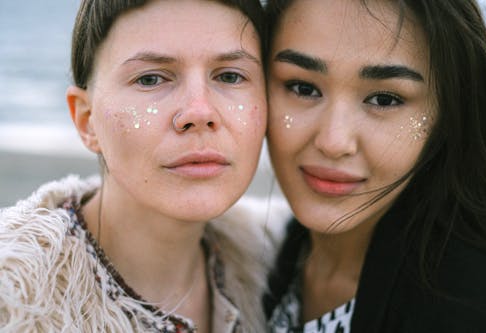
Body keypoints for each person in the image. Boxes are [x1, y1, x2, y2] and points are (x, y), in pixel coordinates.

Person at [0, 0, 278, 331]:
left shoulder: (276, 259)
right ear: (87, 121)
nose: (199, 112)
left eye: (231, 76)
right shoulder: (14, 301)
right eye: (150, 79)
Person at [263, 0, 486, 332]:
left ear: (447, 114)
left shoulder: (474, 303)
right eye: (303, 88)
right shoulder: (270, 251)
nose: (333, 141)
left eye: (384, 99)